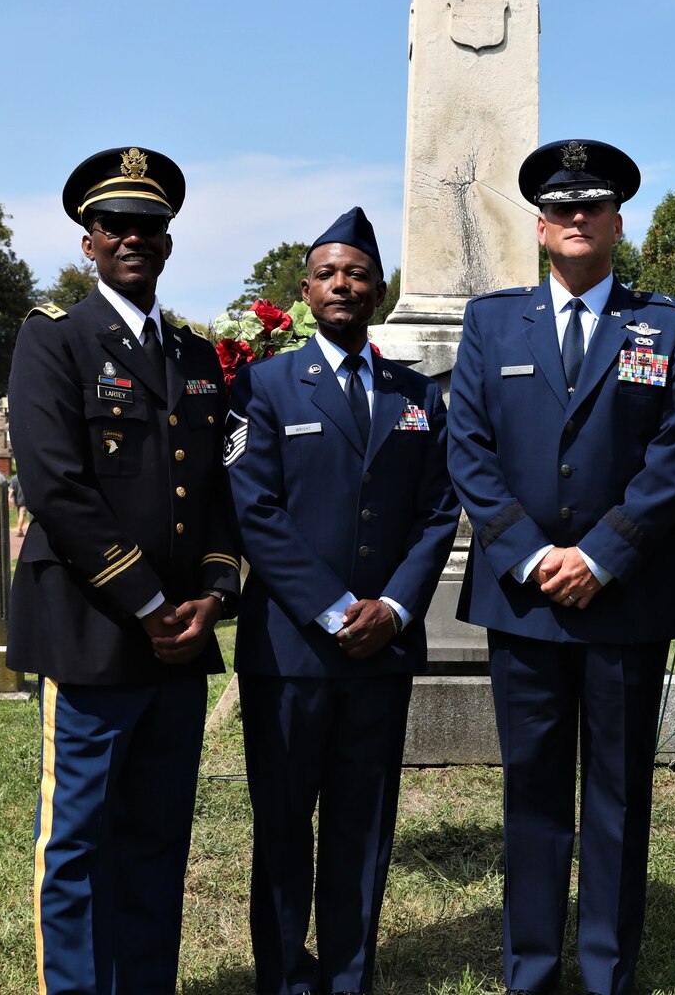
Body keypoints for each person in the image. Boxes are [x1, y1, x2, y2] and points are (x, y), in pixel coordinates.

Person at [446, 139, 675, 995]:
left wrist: (601, 555)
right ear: (540, 224)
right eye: (560, 208)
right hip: (524, 604)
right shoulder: (491, 323)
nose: (575, 219)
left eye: (590, 205)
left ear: (616, 221)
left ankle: (604, 974)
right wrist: (530, 555)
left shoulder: (667, 327)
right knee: (530, 793)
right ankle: (530, 971)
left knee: (618, 796)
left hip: (624, 599)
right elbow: (471, 452)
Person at [7, 146, 240, 993]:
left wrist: (212, 595)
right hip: (95, 630)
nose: (132, 238)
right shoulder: (55, 340)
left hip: (180, 637)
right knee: (77, 839)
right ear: (88, 240)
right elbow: (55, 486)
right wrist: (147, 601)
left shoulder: (198, 357)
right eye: (115, 225)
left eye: (149, 225)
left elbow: (217, 491)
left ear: (169, 242)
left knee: (156, 836)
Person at [224, 207, 460, 995]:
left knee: (364, 829)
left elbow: (436, 509)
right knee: (285, 827)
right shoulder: (262, 384)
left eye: (357, 273)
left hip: (381, 653)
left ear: (378, 286)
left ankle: (351, 975)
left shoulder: (415, 392)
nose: (343, 285)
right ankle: (287, 976)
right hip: (290, 652)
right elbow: (254, 509)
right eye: (327, 273)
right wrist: (332, 608)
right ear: (304, 290)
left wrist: (393, 606)